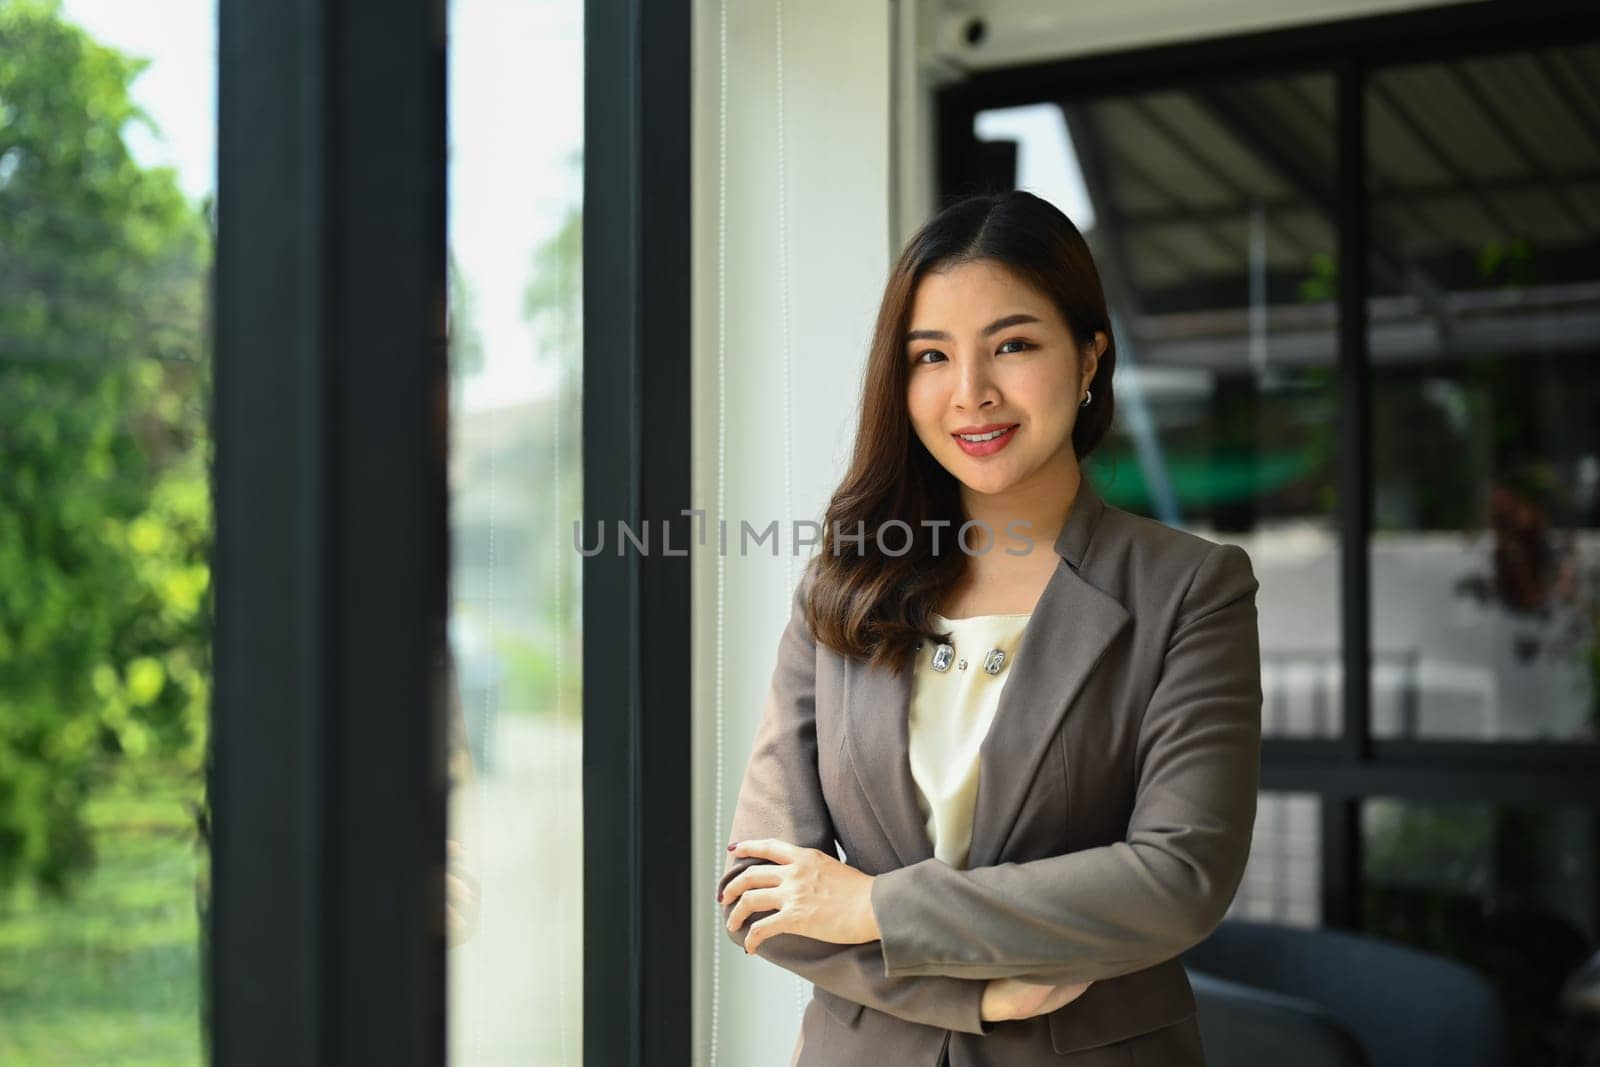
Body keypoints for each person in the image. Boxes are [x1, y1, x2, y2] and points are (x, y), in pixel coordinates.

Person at [717, 189, 1261, 1066]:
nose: (970, 393)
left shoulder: (1190, 590)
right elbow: (764, 891)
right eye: (931, 356)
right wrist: (977, 995)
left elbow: (1178, 879)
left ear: (1091, 358)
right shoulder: (845, 582)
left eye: (1011, 345)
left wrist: (874, 908)